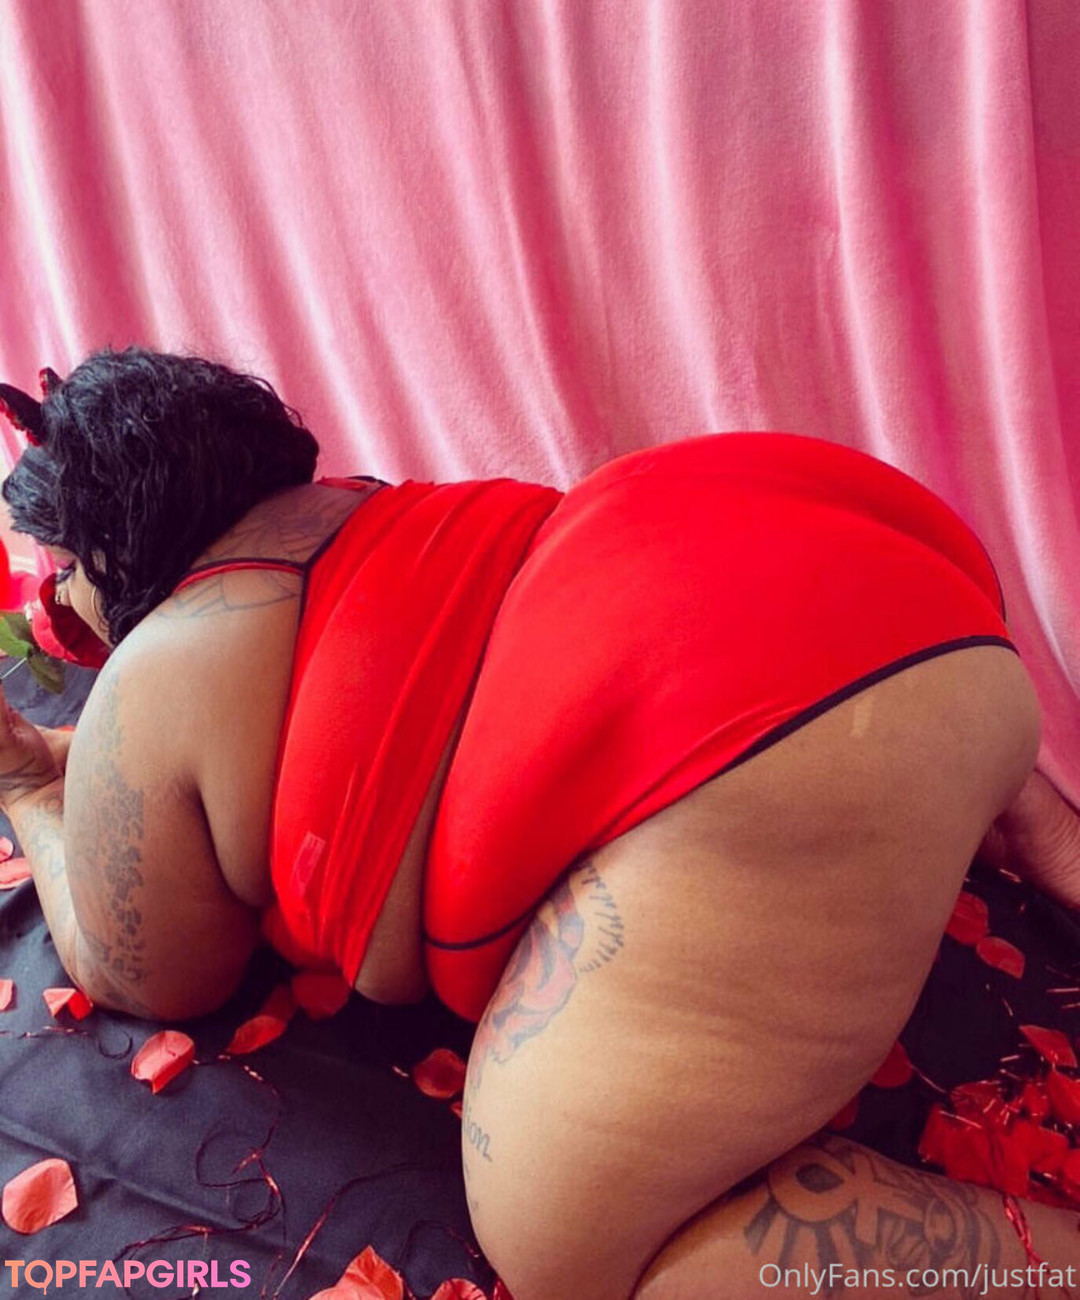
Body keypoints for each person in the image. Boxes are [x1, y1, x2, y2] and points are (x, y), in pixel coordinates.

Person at [0, 344, 1078, 1300]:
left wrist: (30, 789)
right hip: (903, 604)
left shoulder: (160, 666)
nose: (60, 614)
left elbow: (147, 969)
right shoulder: (364, 505)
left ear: (107, 556)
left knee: (569, 1246)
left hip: (774, 763)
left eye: (61, 581)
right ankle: (1022, 813)